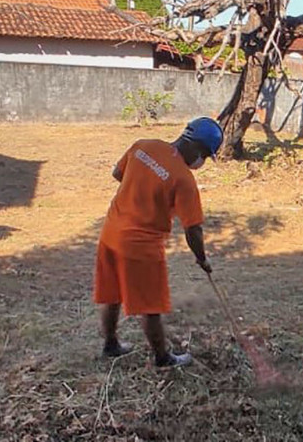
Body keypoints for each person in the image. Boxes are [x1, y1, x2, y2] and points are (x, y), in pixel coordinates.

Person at [93, 117, 222, 367]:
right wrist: (201, 258)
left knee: (113, 293)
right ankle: (163, 358)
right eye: (205, 155)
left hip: (111, 233)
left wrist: (144, 188)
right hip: (140, 246)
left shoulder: (143, 145)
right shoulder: (184, 179)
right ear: (197, 147)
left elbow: (117, 173)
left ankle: (110, 345)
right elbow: (193, 228)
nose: (202, 162)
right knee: (150, 306)